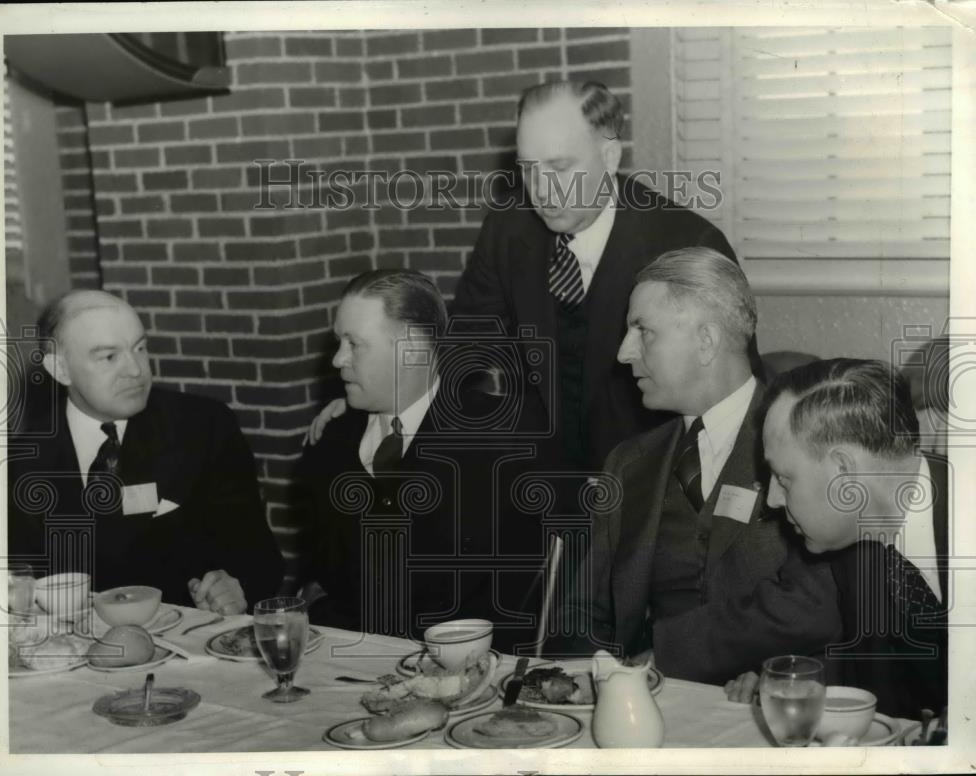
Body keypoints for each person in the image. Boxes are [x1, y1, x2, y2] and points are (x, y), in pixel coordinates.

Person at [310, 80, 746, 473]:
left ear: (610, 156)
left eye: (559, 167)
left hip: (654, 480)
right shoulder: (508, 229)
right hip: (542, 475)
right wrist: (381, 401)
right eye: (528, 168)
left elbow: (733, 395)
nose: (540, 190)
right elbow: (465, 346)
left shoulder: (687, 242)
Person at [559, 247, 841, 682]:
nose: (623, 352)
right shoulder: (628, 463)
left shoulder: (810, 442)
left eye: (643, 331)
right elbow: (582, 615)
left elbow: (815, 606)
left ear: (706, 341)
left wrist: (664, 655)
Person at [296, 270, 551, 651]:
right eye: (339, 342)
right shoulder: (329, 442)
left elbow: (531, 592)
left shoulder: (505, 439)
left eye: (354, 344)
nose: (337, 359)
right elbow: (324, 581)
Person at [8, 290, 282, 613]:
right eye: (109, 357)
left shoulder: (203, 427)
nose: (136, 370)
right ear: (60, 368)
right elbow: (14, 580)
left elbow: (261, 560)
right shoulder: (22, 459)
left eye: (140, 348)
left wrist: (235, 587)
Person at [725, 359, 948, 719]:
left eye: (783, 479)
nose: (772, 500)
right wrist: (791, 682)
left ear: (843, 470)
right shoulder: (847, 544)